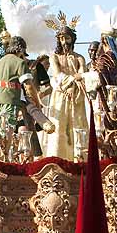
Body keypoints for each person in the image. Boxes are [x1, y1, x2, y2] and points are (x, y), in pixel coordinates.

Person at [43, 13, 88, 159]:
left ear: (72, 39)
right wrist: (72, 80)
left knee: (78, 125)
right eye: (61, 38)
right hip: (60, 96)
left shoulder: (79, 57)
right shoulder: (54, 57)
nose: (64, 42)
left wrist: (75, 80)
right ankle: (58, 158)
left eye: (67, 38)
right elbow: (57, 76)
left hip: (77, 96)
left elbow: (84, 75)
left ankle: (80, 158)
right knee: (60, 126)